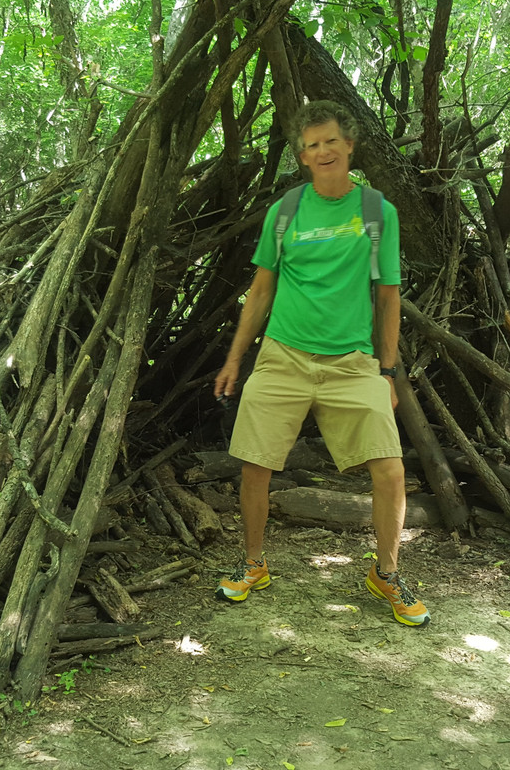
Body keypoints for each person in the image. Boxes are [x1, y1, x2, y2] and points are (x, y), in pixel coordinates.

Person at [212, 99, 430, 627]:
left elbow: (389, 295)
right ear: (303, 158)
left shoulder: (377, 211)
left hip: (352, 360)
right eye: (311, 145)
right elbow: (261, 289)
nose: (322, 151)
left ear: (349, 146)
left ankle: (387, 573)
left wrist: (388, 369)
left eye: (330, 140)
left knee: (390, 470)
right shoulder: (286, 211)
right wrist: (236, 358)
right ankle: (254, 565)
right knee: (254, 464)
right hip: (283, 354)